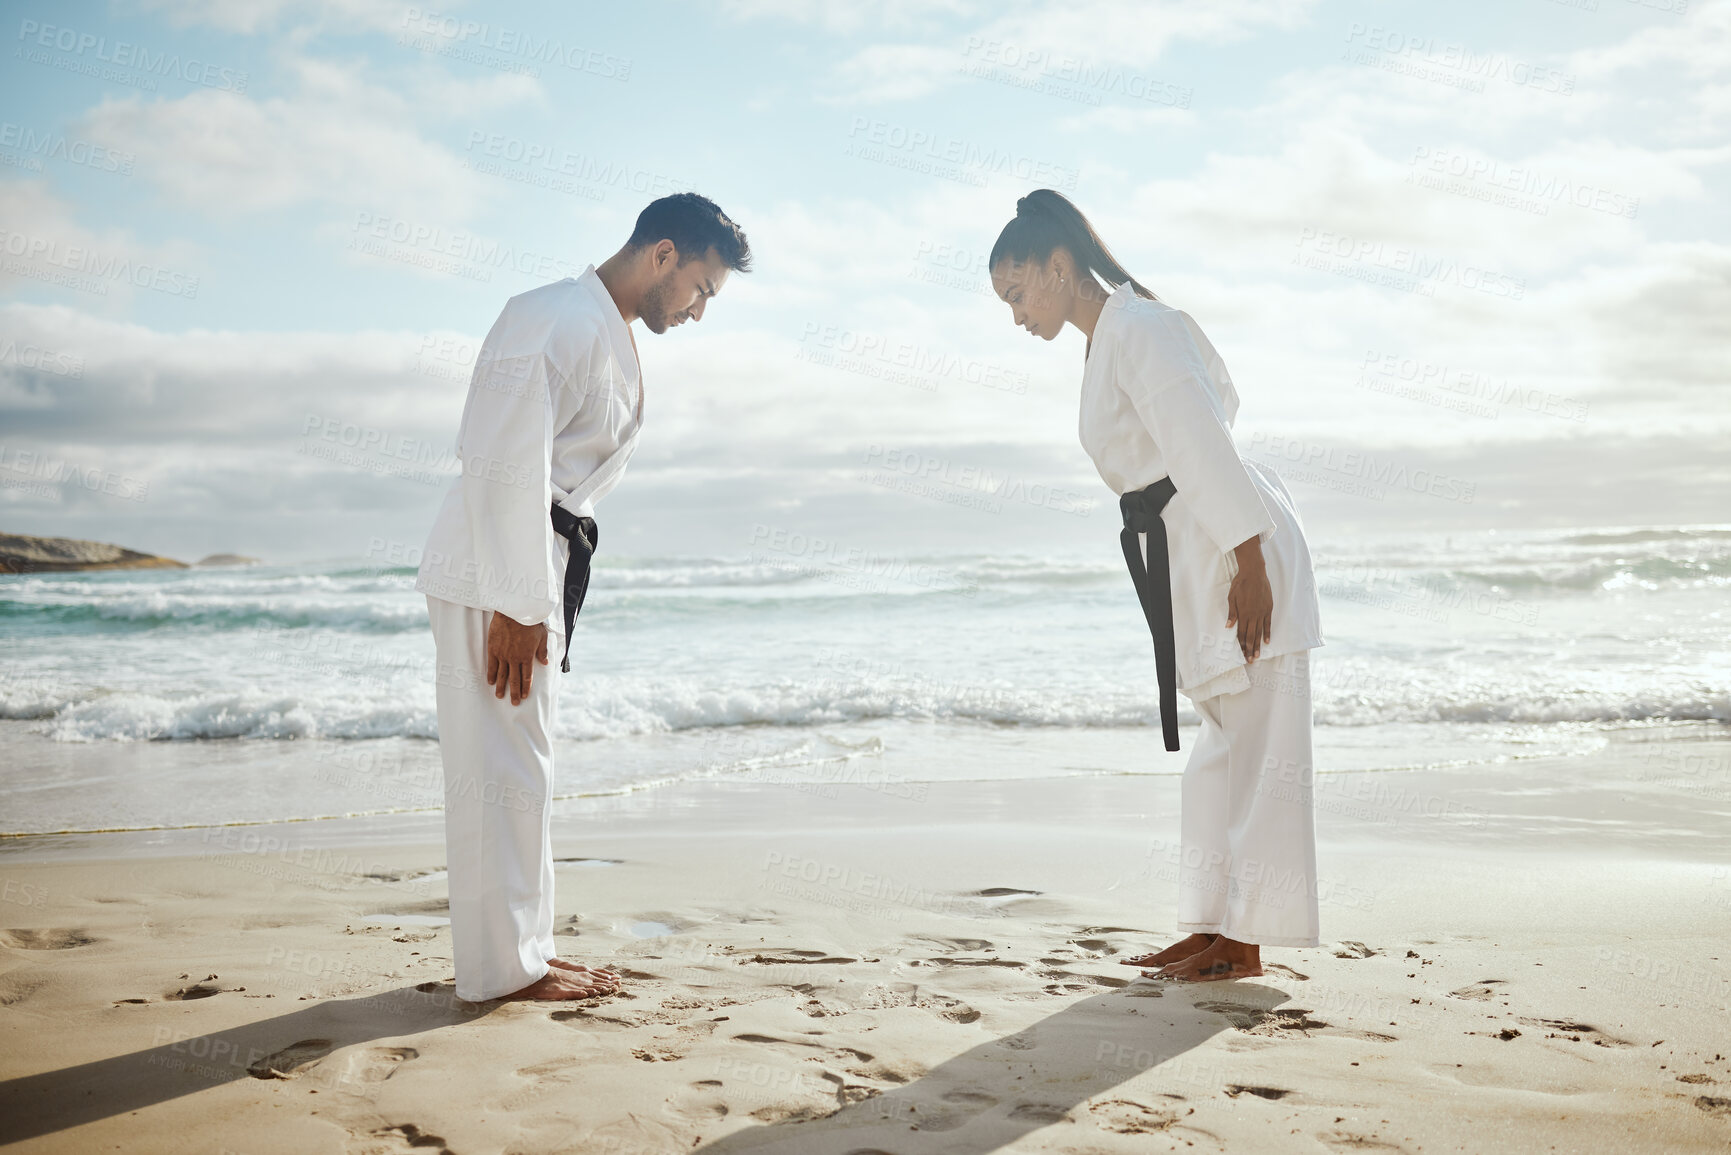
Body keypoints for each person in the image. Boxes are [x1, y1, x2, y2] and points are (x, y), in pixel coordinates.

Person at [415, 193, 752, 1001]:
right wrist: (515, 603)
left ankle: (522, 950)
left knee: (524, 766)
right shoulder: (555, 318)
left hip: (532, 563)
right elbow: (502, 461)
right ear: (663, 255)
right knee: (500, 769)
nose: (700, 311)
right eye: (701, 288)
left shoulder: (599, 326)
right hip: (497, 572)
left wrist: (533, 596)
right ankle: (502, 971)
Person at [989, 189, 1322, 982]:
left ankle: (1245, 938)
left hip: (1232, 543)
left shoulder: (1137, 328)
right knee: (1220, 746)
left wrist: (1248, 558)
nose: (1015, 315)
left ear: (1058, 267)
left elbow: (1203, 436)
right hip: (1194, 544)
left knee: (1260, 745)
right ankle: (1212, 922)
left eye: (1016, 292)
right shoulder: (1116, 334)